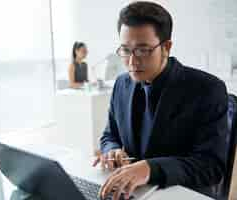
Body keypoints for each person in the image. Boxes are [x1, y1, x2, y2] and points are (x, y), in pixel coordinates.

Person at [93, 1, 228, 200]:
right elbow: (109, 135)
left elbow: (211, 166)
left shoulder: (207, 89)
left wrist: (151, 169)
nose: (132, 61)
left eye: (143, 50)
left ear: (166, 47)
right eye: (125, 50)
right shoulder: (121, 84)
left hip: (181, 193)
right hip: (131, 192)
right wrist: (111, 150)